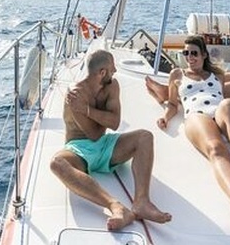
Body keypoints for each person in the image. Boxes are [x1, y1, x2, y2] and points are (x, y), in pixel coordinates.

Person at [154, 35, 230, 224]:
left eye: (194, 53)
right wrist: (165, 118)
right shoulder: (177, 75)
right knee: (216, 148)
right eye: (186, 53)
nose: (189, 57)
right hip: (197, 115)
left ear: (204, 54)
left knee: (229, 103)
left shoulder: (217, 75)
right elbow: (172, 104)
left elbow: (219, 95)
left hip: (219, 110)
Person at [50, 50, 172, 231]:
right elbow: (93, 134)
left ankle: (142, 202)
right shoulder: (75, 94)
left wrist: (88, 111)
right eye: (112, 68)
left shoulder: (112, 86)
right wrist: (100, 116)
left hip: (106, 145)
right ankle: (116, 207)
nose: (115, 70)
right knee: (57, 163)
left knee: (145, 137)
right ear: (102, 72)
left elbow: (114, 123)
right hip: (78, 149)